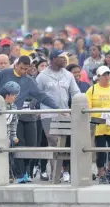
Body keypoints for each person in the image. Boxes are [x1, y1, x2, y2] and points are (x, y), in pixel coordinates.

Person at [36, 50, 80, 183]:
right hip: (48, 113)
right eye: (62, 58)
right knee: (53, 141)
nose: (65, 60)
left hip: (65, 113)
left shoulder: (68, 75)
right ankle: (56, 172)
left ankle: (64, 170)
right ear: (54, 59)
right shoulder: (42, 76)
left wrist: (80, 105)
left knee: (65, 142)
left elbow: (76, 92)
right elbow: (37, 94)